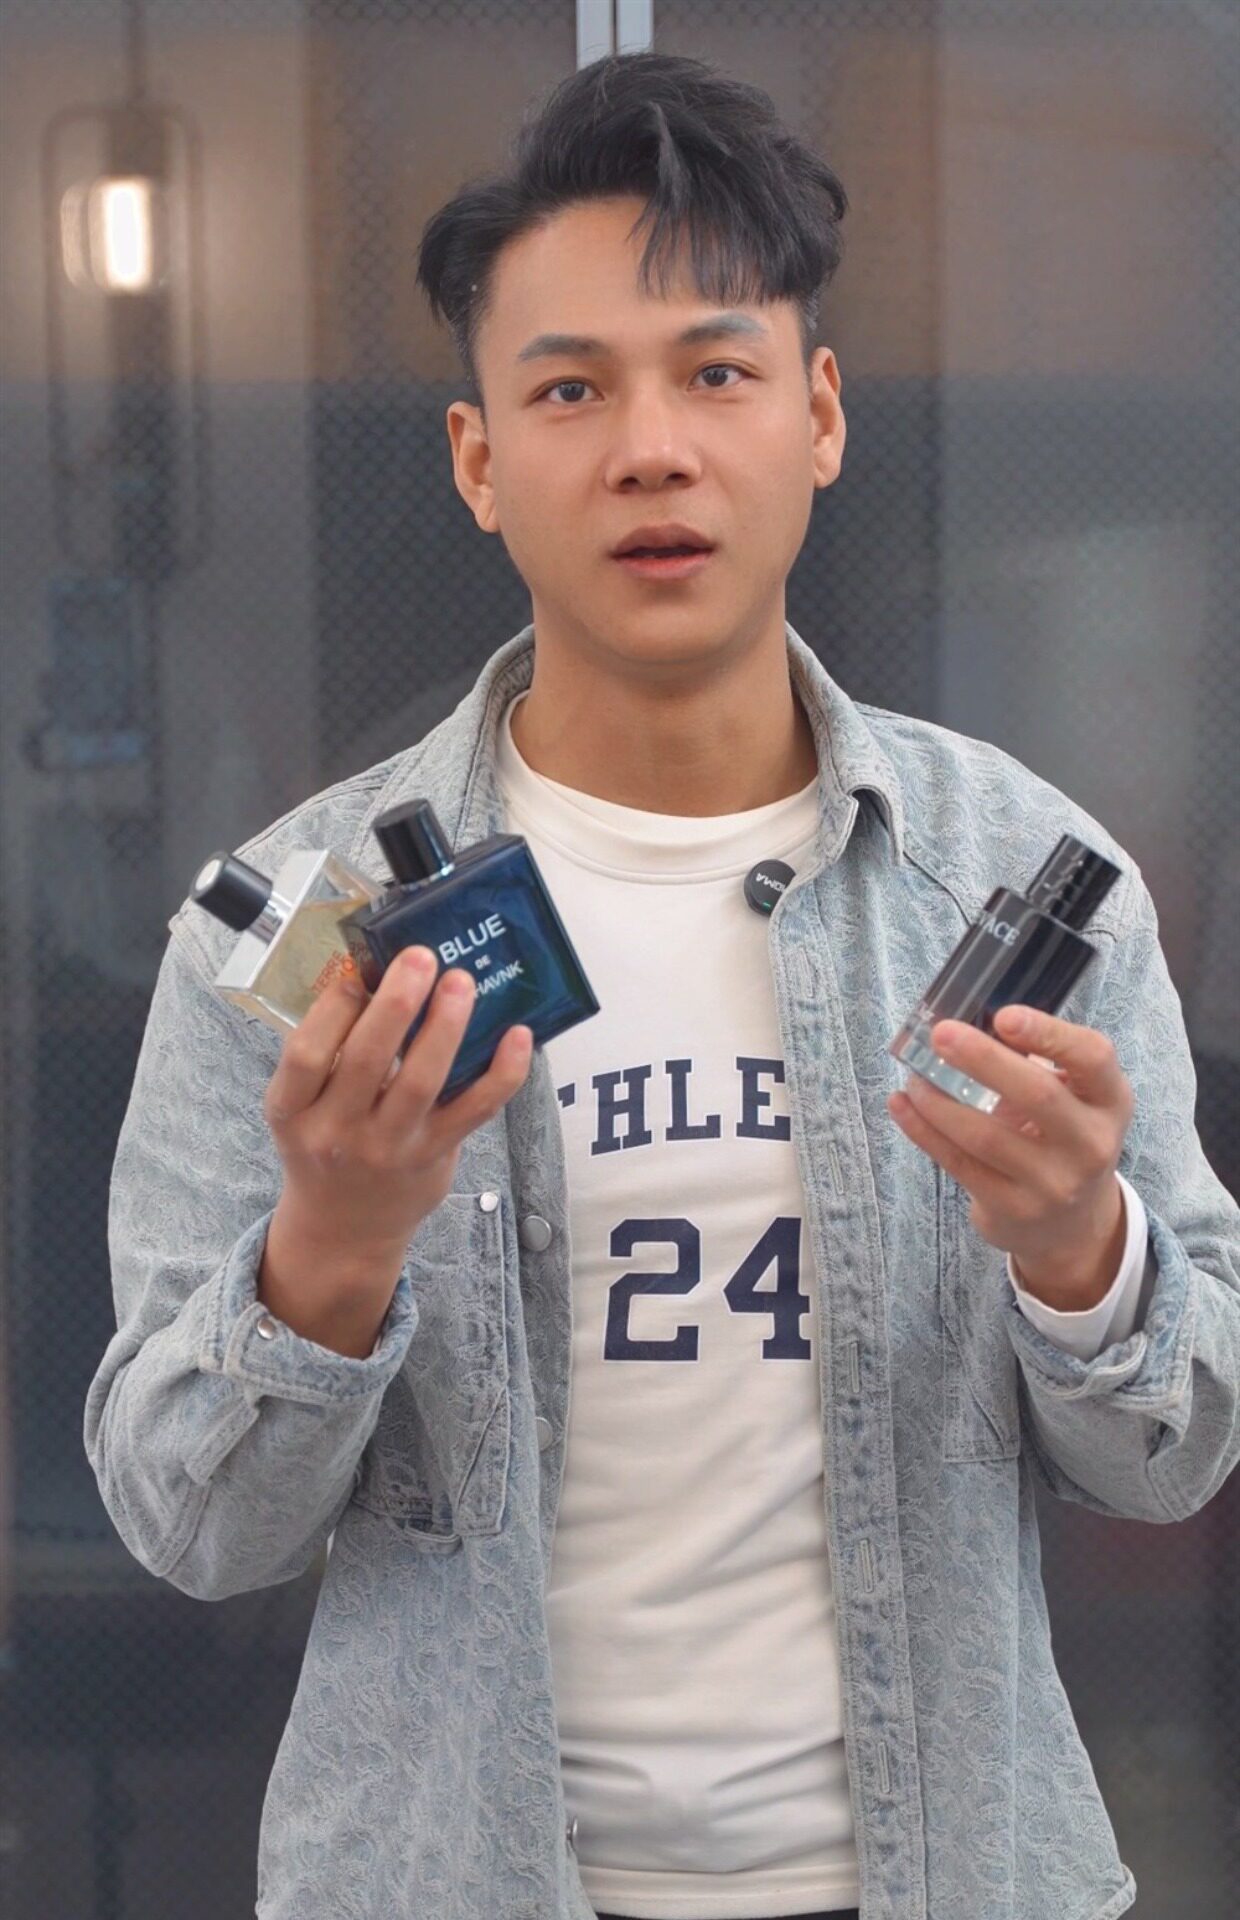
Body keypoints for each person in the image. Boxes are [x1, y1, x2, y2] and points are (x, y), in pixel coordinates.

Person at [84, 49, 1239, 1920]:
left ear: (820, 416)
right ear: (478, 460)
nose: (651, 448)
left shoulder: (1021, 881)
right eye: (569, 388)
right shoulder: (289, 943)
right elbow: (191, 1524)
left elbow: (1178, 1453)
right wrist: (333, 1247)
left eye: (717, 372)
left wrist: (1079, 1252)